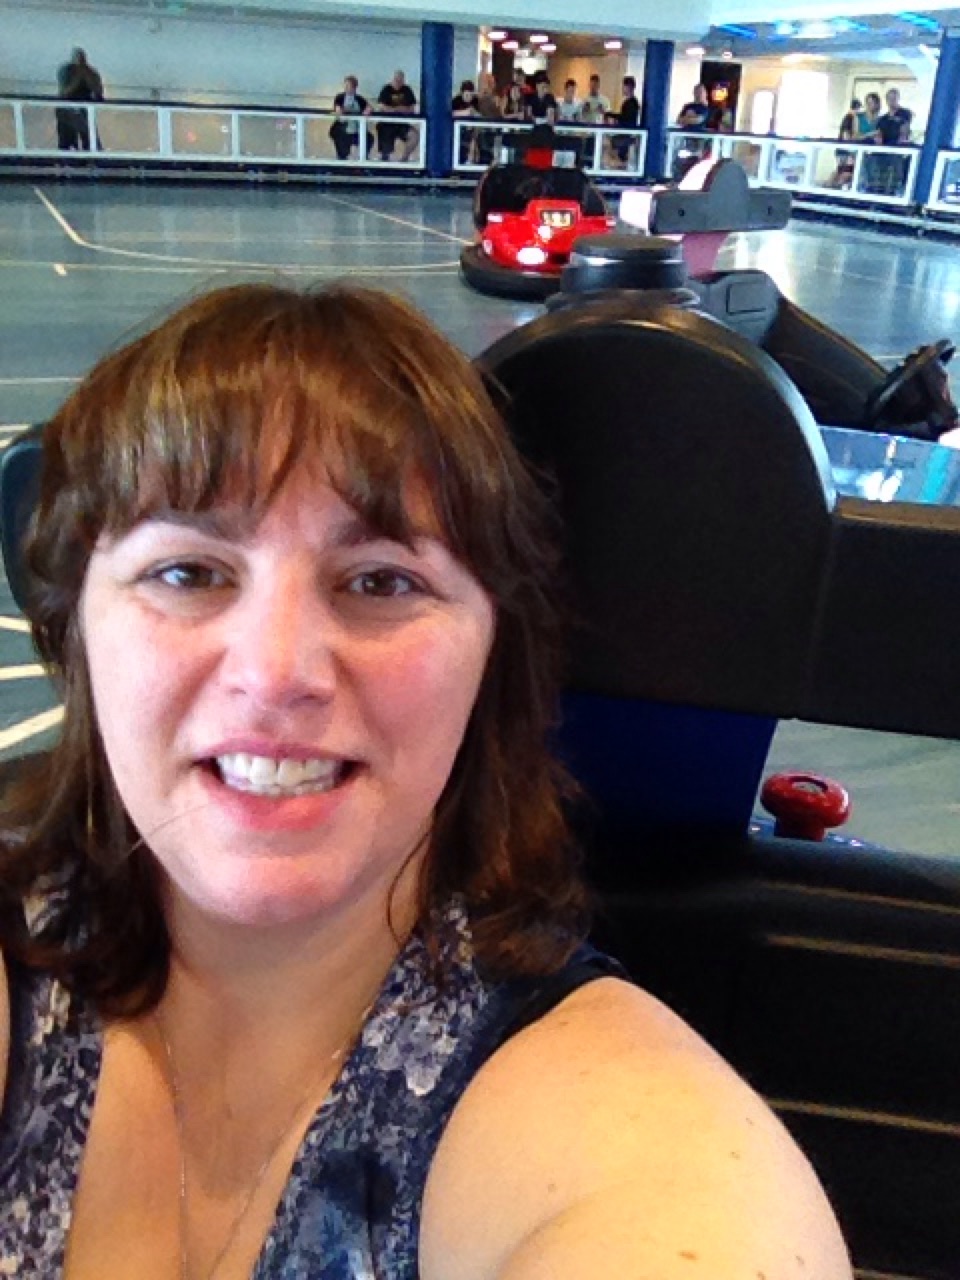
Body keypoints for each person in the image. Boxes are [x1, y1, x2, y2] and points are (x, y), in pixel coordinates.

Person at [0, 282, 854, 1280]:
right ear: (78, 628)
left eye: (380, 581)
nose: (275, 671)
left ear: (491, 658)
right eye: (190, 572)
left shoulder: (625, 1136)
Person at [56, 46, 104, 151]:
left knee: (90, 140)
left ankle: (92, 155)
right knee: (67, 141)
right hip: (67, 110)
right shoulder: (66, 70)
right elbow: (64, 92)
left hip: (85, 110)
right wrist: (78, 76)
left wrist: (86, 75)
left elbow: (99, 94)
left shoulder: (91, 72)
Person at [376, 68, 418, 162]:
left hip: (402, 124)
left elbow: (412, 108)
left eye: (400, 80)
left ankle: (404, 159)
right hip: (387, 124)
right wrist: (397, 109)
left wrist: (398, 109)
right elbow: (381, 106)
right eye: (396, 80)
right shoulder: (386, 89)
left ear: (403, 81)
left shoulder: (407, 90)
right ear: (393, 79)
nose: (398, 82)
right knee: (385, 144)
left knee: (414, 136)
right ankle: (384, 160)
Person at [329, 74, 372, 162]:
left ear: (354, 87)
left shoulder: (359, 99)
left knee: (369, 138)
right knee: (340, 142)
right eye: (345, 85)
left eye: (348, 86)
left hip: (356, 128)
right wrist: (340, 110)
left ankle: (363, 159)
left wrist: (368, 110)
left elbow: (369, 107)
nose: (346, 88)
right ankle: (342, 158)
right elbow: (337, 108)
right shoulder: (340, 97)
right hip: (342, 128)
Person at [607, 74, 640, 167]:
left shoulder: (631, 103)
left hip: (626, 134)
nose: (622, 89)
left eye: (624, 86)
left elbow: (625, 118)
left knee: (610, 145)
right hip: (625, 133)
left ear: (628, 87)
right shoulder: (631, 102)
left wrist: (610, 115)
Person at [451, 78, 480, 163]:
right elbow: (450, 113)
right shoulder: (456, 101)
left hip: (471, 130)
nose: (469, 98)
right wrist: (465, 112)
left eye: (471, 95)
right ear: (462, 93)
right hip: (458, 131)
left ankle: (472, 159)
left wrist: (473, 113)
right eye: (467, 95)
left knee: (474, 137)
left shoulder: (475, 101)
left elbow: (478, 114)